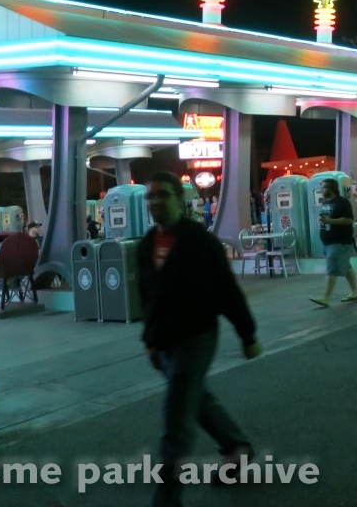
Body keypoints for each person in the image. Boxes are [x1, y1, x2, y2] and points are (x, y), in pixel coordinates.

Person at [136, 171, 262, 506]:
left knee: (176, 421)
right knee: (197, 400)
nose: (155, 202)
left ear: (180, 198)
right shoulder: (147, 243)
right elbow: (148, 296)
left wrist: (247, 334)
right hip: (164, 343)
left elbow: (227, 291)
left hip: (196, 338)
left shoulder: (200, 241)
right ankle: (237, 448)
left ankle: (166, 500)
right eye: (150, 196)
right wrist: (149, 339)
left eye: (162, 194)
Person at [309, 178, 357, 306]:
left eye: (324, 187)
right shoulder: (326, 202)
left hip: (339, 241)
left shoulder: (342, 202)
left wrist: (331, 221)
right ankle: (354, 292)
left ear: (332, 188)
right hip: (328, 242)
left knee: (331, 269)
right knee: (346, 267)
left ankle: (326, 297)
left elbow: (348, 220)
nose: (321, 190)